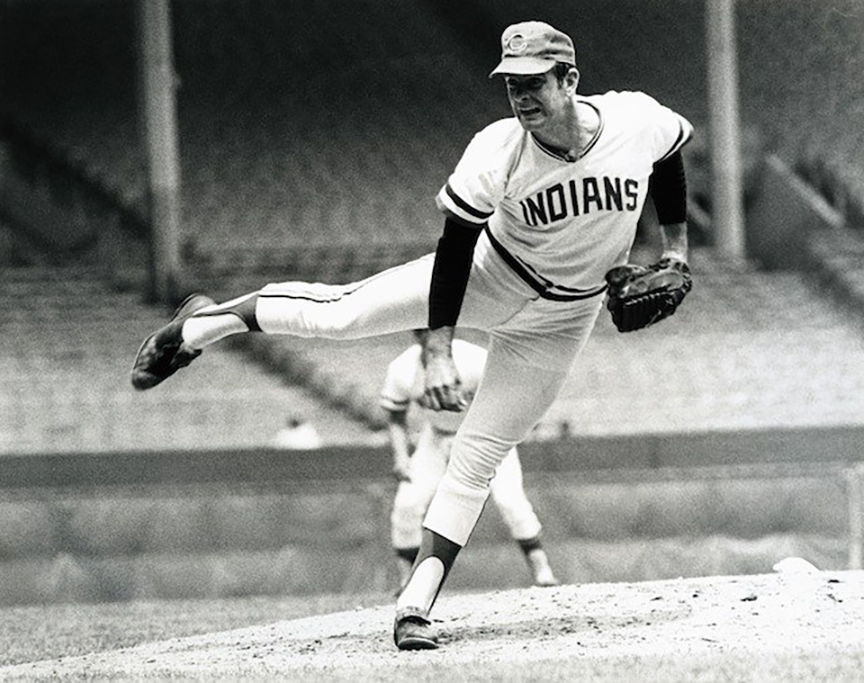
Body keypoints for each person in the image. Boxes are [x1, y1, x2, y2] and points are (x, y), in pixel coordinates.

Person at [131, 20, 693, 651]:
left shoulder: (633, 120)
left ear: (571, 79)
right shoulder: (498, 148)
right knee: (342, 315)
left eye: (535, 83)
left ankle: (415, 605)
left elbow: (670, 152)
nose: (522, 98)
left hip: (564, 320)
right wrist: (438, 348)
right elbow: (454, 251)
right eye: (512, 85)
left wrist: (675, 252)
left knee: (479, 457)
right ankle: (203, 322)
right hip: (491, 275)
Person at [381, 330, 558, 592]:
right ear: (414, 333)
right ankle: (407, 580)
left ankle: (541, 569)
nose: (426, 335)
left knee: (510, 500)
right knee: (408, 503)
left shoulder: (474, 359)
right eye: (420, 330)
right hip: (436, 437)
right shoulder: (402, 368)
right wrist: (401, 457)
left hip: (485, 433)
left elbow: (508, 398)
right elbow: (395, 417)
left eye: (431, 329)